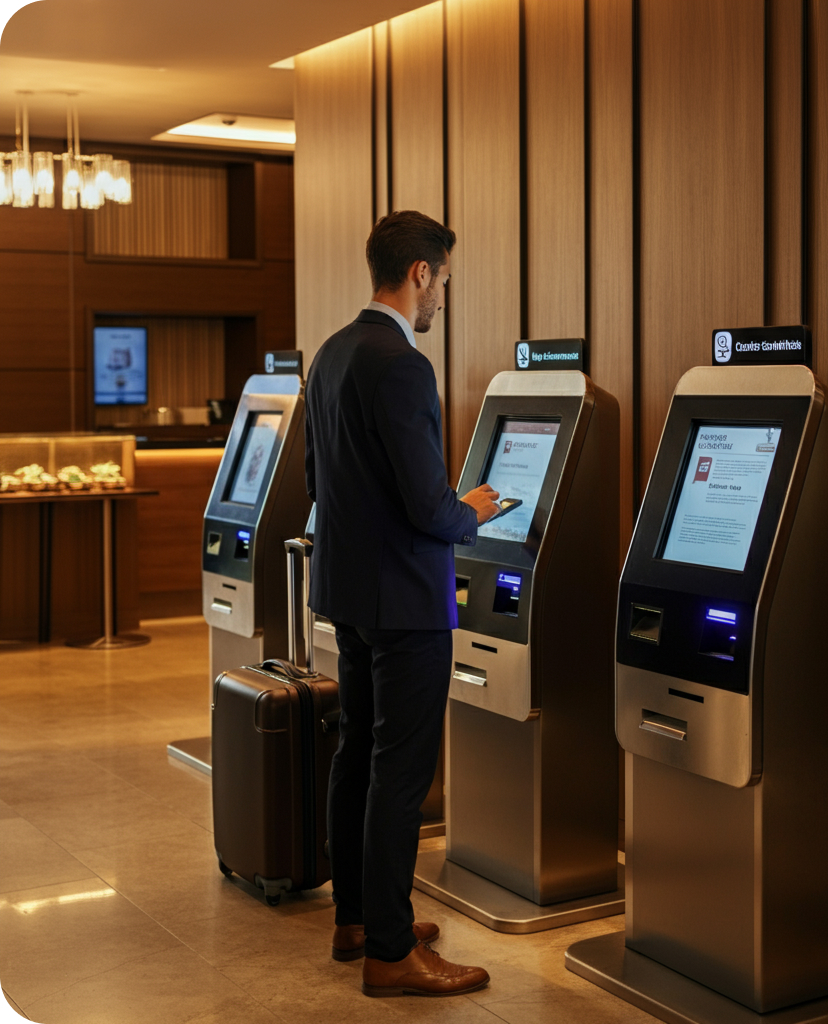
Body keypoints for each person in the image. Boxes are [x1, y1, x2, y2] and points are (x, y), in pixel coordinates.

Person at [304, 210, 499, 998]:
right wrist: (476, 510)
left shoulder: (333, 352)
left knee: (357, 752)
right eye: (443, 281)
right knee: (400, 769)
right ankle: (390, 950)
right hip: (408, 601)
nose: (442, 299)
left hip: (348, 592)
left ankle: (358, 916)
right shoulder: (403, 364)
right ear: (419, 272)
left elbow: (322, 484)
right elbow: (429, 506)